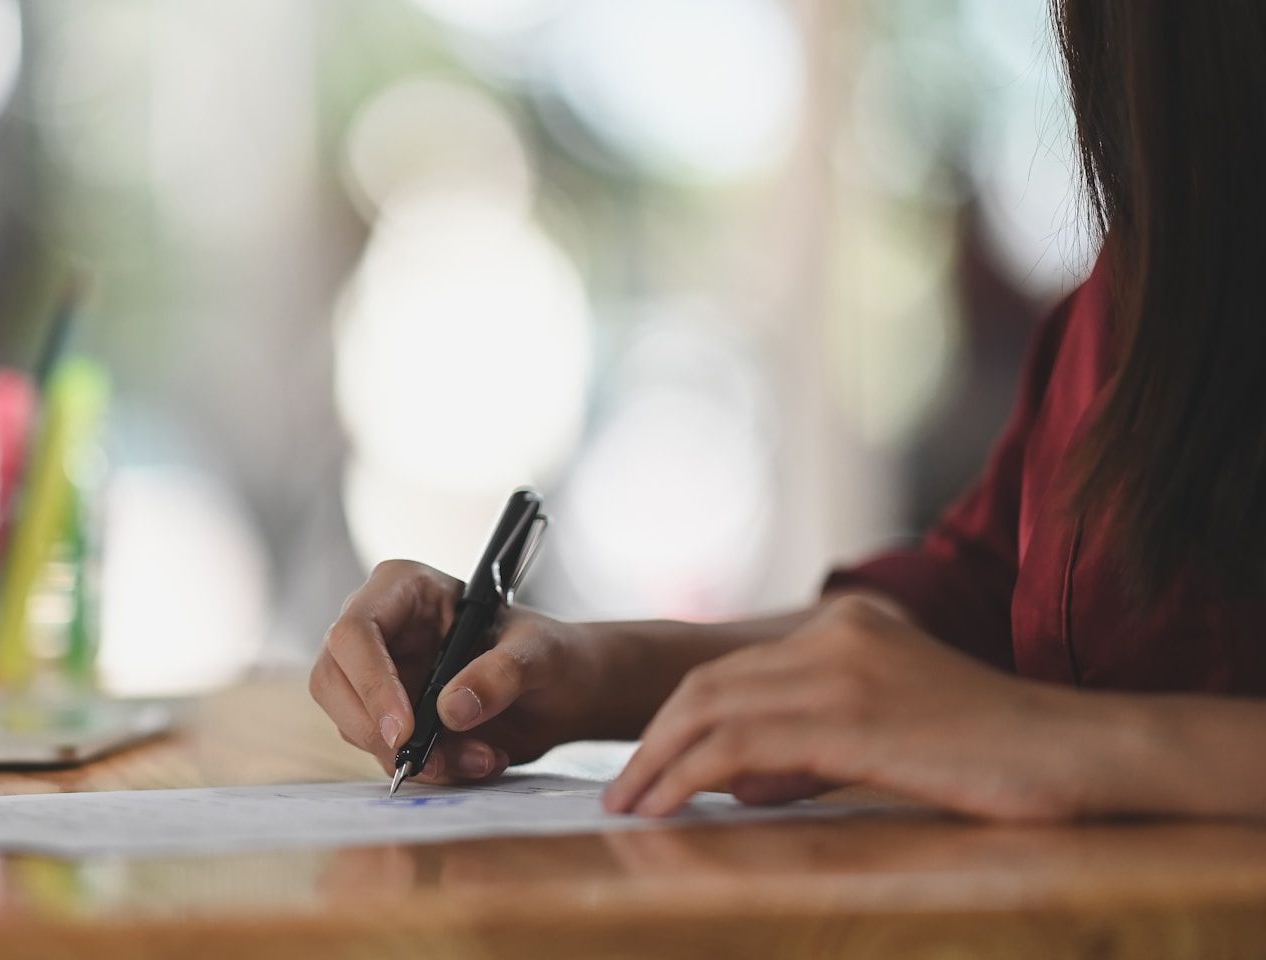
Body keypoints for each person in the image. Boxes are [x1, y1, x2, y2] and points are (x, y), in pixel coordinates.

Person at [309, 0, 1266, 822]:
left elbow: (1006, 708)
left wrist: (1072, 745)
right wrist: (580, 671)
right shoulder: (1129, 299)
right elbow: (987, 605)